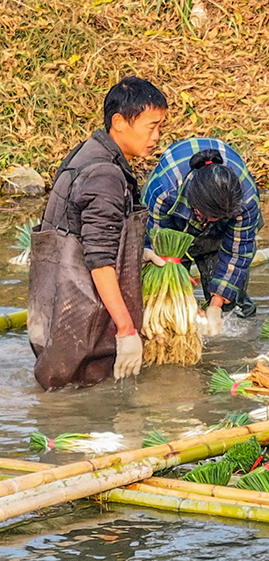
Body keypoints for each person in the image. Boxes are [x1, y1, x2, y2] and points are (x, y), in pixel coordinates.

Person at [28, 77, 167, 390]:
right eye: (151, 126)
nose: (156, 137)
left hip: (56, 312)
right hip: (80, 318)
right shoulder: (104, 173)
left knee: (58, 383)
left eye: (160, 128)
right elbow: (99, 262)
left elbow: (84, 232)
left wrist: (134, 254)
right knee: (82, 391)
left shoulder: (87, 154)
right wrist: (127, 330)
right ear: (119, 122)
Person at [143, 138, 263, 334]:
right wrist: (184, 300)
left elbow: (238, 253)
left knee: (231, 304)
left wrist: (216, 306)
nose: (212, 221)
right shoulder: (163, 192)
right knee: (169, 303)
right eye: (209, 216)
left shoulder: (246, 199)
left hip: (223, 232)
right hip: (174, 225)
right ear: (194, 204)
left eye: (219, 217)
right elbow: (157, 248)